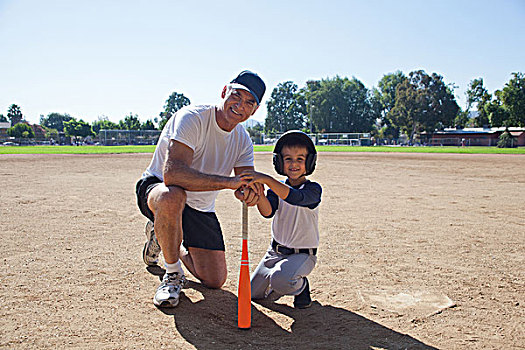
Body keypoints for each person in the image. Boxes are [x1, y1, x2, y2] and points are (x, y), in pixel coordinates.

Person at [135, 70, 266, 308]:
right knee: (171, 195)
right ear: (224, 92)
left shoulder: (243, 140)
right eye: (237, 96)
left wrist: (249, 193)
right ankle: (172, 274)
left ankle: (164, 236)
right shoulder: (193, 118)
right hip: (158, 189)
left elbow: (244, 182)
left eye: (249, 102)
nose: (240, 105)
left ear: (254, 110)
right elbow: (172, 174)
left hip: (199, 206)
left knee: (214, 280)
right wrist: (229, 184)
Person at [240, 130, 322, 309]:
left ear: (309, 162)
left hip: (302, 254)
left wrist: (267, 180)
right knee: (252, 293)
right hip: (275, 252)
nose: (294, 164)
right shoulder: (276, 189)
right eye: (288, 159)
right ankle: (283, 278)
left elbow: (295, 197)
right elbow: (267, 212)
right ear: (280, 162)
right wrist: (260, 193)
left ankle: (300, 286)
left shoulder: (313, 190)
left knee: (280, 280)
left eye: (300, 159)